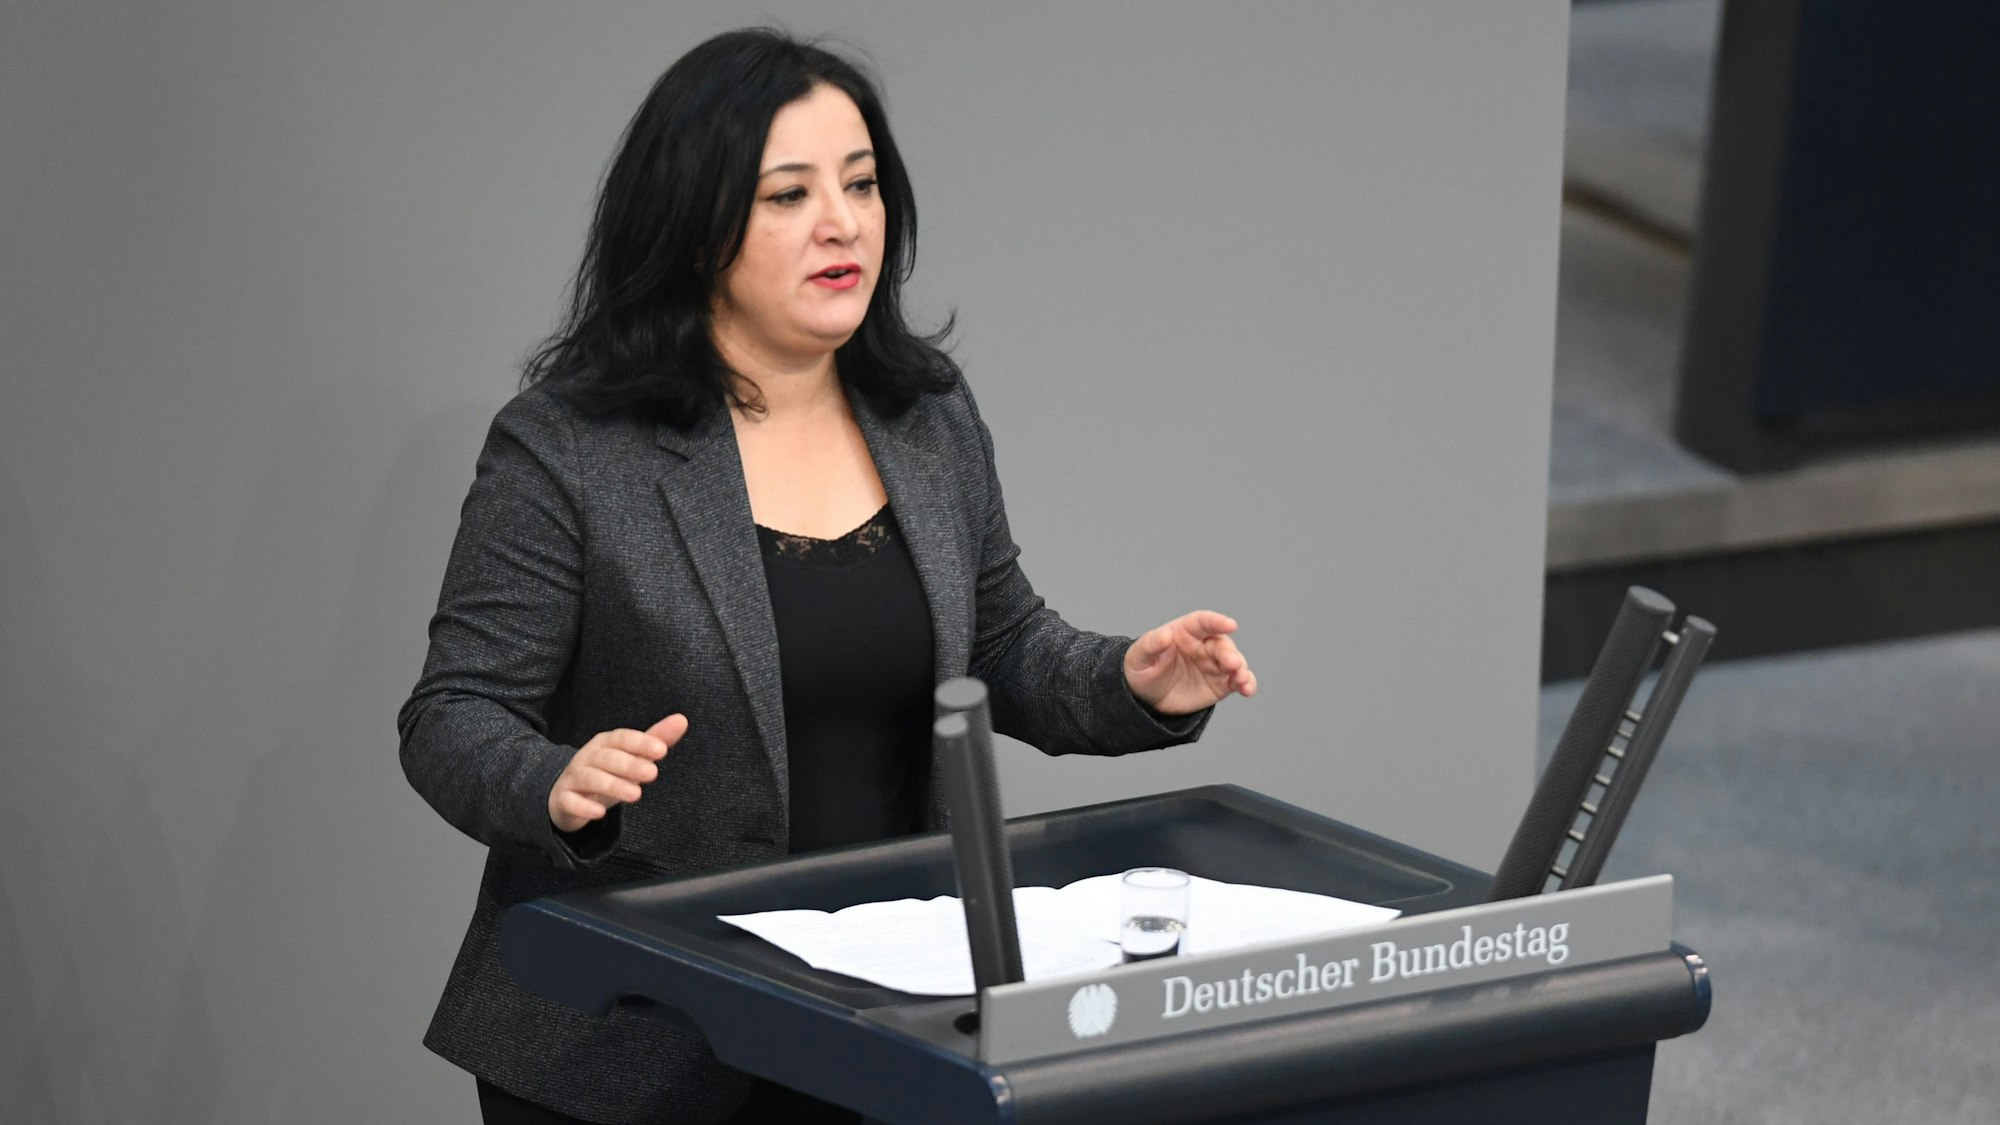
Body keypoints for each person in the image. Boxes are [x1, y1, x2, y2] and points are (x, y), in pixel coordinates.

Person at [398, 27, 1258, 1125]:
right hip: (629, 1043)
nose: (841, 222)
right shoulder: (567, 447)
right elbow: (452, 714)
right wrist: (553, 784)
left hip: (880, 1023)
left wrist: (1134, 682)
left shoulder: (926, 416)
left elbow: (997, 650)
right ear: (695, 227)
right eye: (788, 196)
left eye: (860, 184)